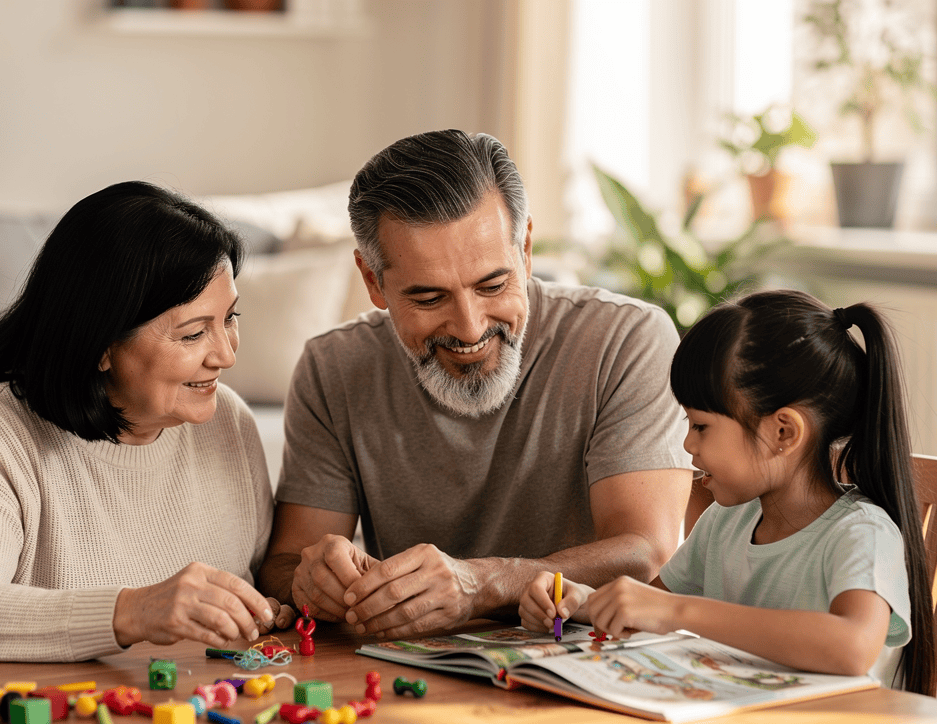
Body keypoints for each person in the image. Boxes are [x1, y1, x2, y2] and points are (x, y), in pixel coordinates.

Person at [258, 129, 693, 640]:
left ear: (525, 249)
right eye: (428, 298)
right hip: (412, 668)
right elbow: (287, 563)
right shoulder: (333, 366)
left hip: (589, 655)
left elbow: (646, 551)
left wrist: (484, 583)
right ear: (373, 281)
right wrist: (313, 581)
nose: (469, 327)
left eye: (493, 285)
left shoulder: (626, 338)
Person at [0, 181, 293, 662]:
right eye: (194, 333)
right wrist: (131, 612)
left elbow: (257, 586)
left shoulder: (227, 422)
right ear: (101, 345)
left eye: (230, 318)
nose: (226, 355)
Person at [520, 289, 935, 694]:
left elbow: (852, 647)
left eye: (700, 425)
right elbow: (650, 605)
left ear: (783, 432)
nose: (687, 444)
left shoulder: (861, 533)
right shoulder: (725, 522)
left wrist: (682, 612)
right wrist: (580, 601)